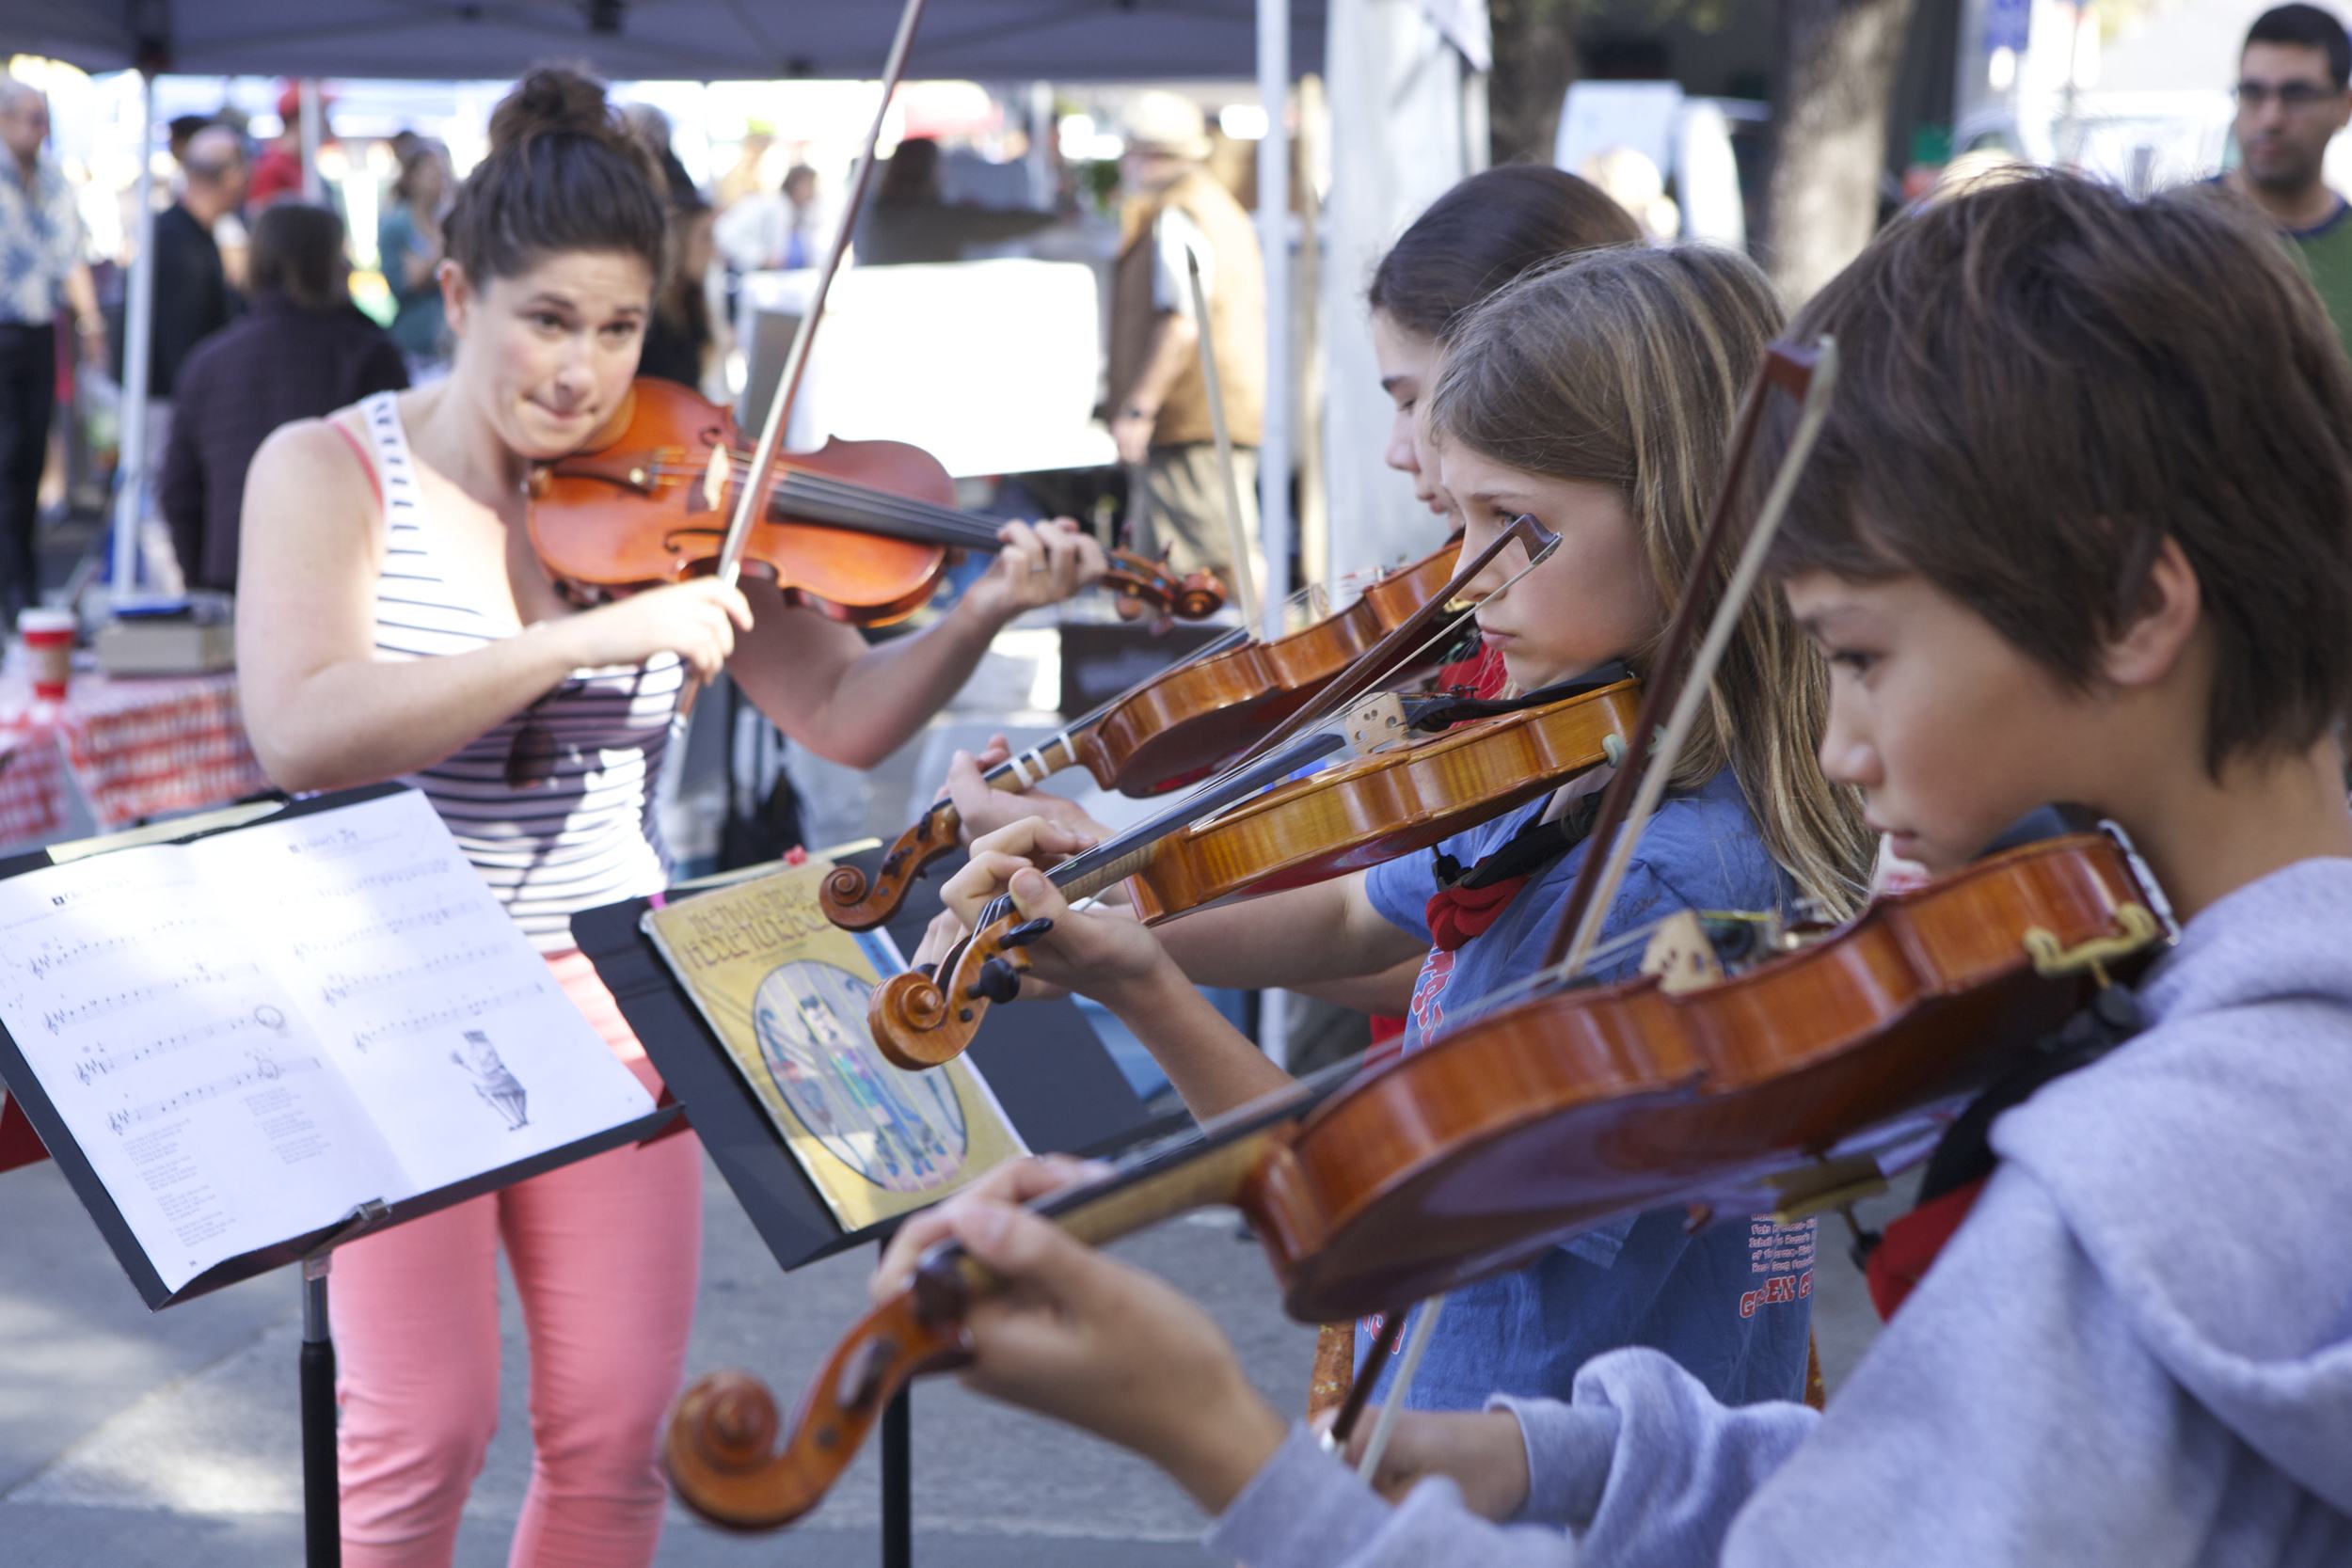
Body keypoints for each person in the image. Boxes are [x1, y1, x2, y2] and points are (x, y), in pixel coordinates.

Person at [889, 172, 2352, 1567]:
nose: (1841, 744)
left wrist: (1220, 1441)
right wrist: (1562, 1456)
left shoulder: (2163, 1171)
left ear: (2131, 605)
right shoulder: (2222, 1049)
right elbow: (1914, 1481)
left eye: (1860, 654)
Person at [233, 66, 1108, 1567]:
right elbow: (305, 724)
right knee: (416, 1430)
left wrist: (980, 612)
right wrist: (588, 634)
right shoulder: (328, 471)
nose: (583, 370)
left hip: (611, 996)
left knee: (616, 1435)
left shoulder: (686, 495)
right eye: (548, 319)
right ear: (457, 290)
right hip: (394, 998)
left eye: (620, 326)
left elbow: (842, 710)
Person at [927, 242, 1871, 1421]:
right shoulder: (1571, 759)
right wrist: (1120, 904)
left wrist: (1143, 990)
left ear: (1689, 515)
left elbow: (1370, 1220)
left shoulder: (1663, 876)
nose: (1461, 583)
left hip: (1533, 1486)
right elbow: (1347, 908)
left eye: (1512, 525)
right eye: (1456, 518)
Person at [161, 202, 406, 594]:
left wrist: (202, 579)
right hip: (341, 578)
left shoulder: (207, 362)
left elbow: (178, 492)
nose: (347, 265)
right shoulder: (365, 352)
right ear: (324, 262)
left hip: (234, 576)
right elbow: (401, 479)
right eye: (339, 253)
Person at [1107, 91, 1267, 603]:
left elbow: (1182, 320)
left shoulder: (1182, 214)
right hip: (1204, 415)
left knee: (1221, 559)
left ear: (1150, 154)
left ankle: (1269, 661)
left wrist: (1139, 406)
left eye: (1131, 151)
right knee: (1173, 571)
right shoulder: (1211, 206)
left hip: (1195, 419)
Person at [0, 80, 103, 619]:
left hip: (38, 332)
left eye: (43, 119)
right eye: (29, 118)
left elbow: (71, 257)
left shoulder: (54, 181)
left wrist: (90, 321)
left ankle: (22, 588)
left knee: (27, 460)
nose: (39, 130)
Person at [2222, 3, 2352, 359]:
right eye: (2253, 93)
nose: (2271, 119)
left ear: (2345, 107)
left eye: (2296, 95)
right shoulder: (2167, 235)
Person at [146, 121, 245, 453]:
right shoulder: (176, 239)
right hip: (173, 405)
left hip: (183, 401)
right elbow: (181, 339)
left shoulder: (197, 233)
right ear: (229, 176)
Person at [851, 136, 1057, 265]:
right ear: (930, 172)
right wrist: (1055, 219)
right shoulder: (935, 219)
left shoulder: (875, 212)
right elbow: (998, 225)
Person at [378, 138, 450, 374]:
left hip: (448, 343)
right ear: (412, 178)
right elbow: (409, 282)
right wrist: (440, 250)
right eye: (432, 174)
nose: (440, 181)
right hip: (413, 343)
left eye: (443, 174)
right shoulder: (396, 225)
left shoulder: (447, 220)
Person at [714, 161, 825, 272]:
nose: (813, 192)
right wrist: (762, 258)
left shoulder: (803, 214)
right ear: (797, 184)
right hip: (755, 276)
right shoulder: (766, 206)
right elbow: (726, 234)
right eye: (810, 185)